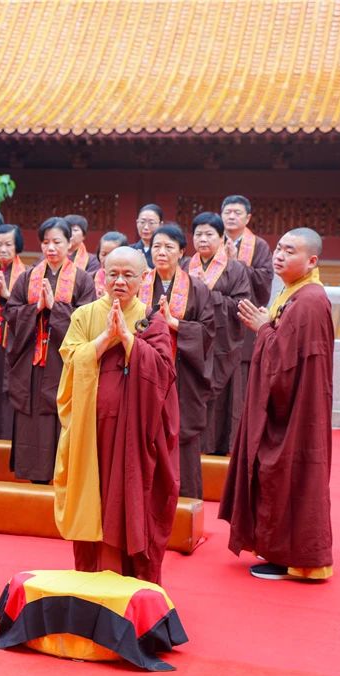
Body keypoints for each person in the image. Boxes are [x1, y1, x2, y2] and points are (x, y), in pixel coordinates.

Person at [55, 246, 179, 585]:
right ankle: (90, 577)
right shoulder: (84, 315)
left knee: (126, 499)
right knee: (92, 498)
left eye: (128, 275)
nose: (119, 281)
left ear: (143, 279)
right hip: (90, 430)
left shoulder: (150, 320)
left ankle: (126, 580)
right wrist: (103, 338)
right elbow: (72, 359)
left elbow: (164, 374)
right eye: (113, 273)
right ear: (102, 276)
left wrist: (128, 339)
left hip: (132, 434)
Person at [219, 228, 333, 581]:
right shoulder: (294, 293)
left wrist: (264, 329)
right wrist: (269, 328)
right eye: (279, 248)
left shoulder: (310, 302)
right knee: (277, 474)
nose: (279, 255)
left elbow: (285, 366)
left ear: (311, 260)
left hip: (296, 412)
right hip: (292, 405)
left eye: (290, 251)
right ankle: (279, 549)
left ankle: (296, 556)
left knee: (288, 475)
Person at [5, 218, 96, 483]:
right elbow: (11, 312)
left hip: (62, 363)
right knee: (31, 417)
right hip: (32, 363)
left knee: (59, 415)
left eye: (57, 242)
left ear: (70, 243)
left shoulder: (82, 280)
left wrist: (56, 308)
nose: (51, 248)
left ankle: (63, 475)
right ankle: (32, 474)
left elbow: (86, 321)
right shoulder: (28, 277)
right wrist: (34, 309)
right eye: (46, 242)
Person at [139, 225, 216, 499]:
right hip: (144, 371)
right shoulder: (140, 281)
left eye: (169, 247)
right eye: (157, 246)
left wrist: (175, 324)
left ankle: (184, 500)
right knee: (144, 431)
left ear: (182, 252)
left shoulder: (197, 288)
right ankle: (145, 497)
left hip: (182, 373)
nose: (161, 252)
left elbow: (208, 331)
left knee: (181, 434)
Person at [187, 212, 252, 457]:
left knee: (222, 402)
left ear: (222, 237)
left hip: (222, 345)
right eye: (198, 234)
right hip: (191, 345)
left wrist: (207, 293)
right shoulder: (184, 266)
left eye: (209, 234)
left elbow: (240, 305)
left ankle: (217, 448)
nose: (203, 239)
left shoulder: (235, 270)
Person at [220, 194, 274, 454]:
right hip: (217, 326)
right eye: (227, 212)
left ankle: (237, 443)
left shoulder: (260, 246)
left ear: (248, 217)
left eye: (237, 213)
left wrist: (237, 264)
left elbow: (264, 282)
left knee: (240, 384)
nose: (231, 216)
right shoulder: (213, 241)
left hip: (244, 324)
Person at [0, 224, 26, 440]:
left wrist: (8, 295)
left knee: (9, 391)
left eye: (8, 244)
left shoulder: (27, 275)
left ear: (17, 246)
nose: (2, 249)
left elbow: (30, 311)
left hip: (14, 345)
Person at [93, 231, 130, 297]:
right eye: (103, 254)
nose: (107, 259)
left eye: (112, 254)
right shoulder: (90, 278)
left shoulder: (131, 278)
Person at [131, 204, 162, 268]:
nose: (146, 227)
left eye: (151, 223)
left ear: (160, 225)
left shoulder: (163, 252)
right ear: (137, 223)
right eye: (142, 222)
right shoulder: (129, 250)